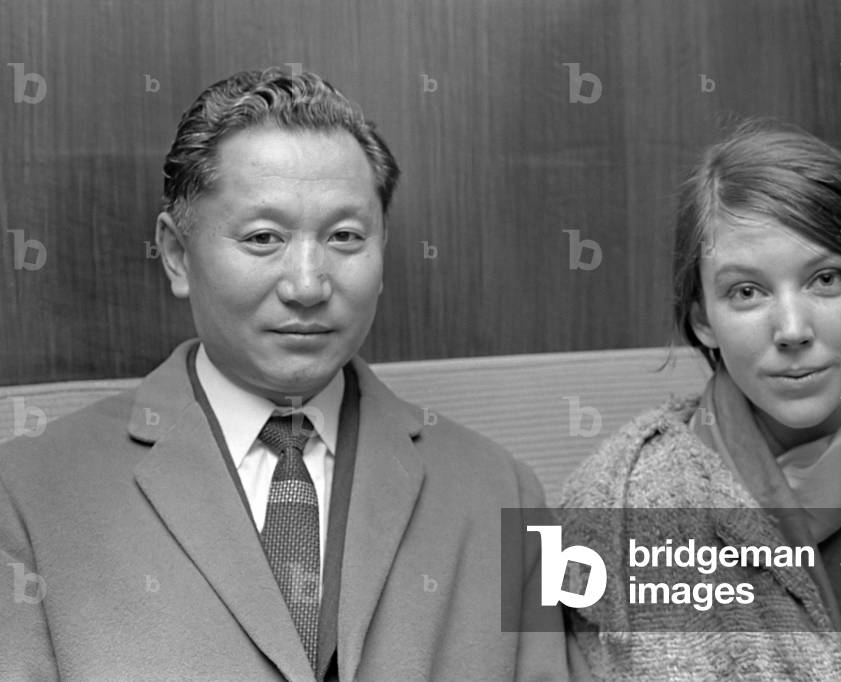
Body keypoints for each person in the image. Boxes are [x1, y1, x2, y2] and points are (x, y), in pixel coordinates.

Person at [0, 67, 568, 681]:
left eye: (345, 236)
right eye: (264, 237)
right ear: (176, 254)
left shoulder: (506, 495)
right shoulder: (26, 497)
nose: (307, 285)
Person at [559, 120, 841, 680]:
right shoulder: (604, 509)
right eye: (747, 292)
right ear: (703, 318)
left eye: (826, 279)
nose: (792, 329)